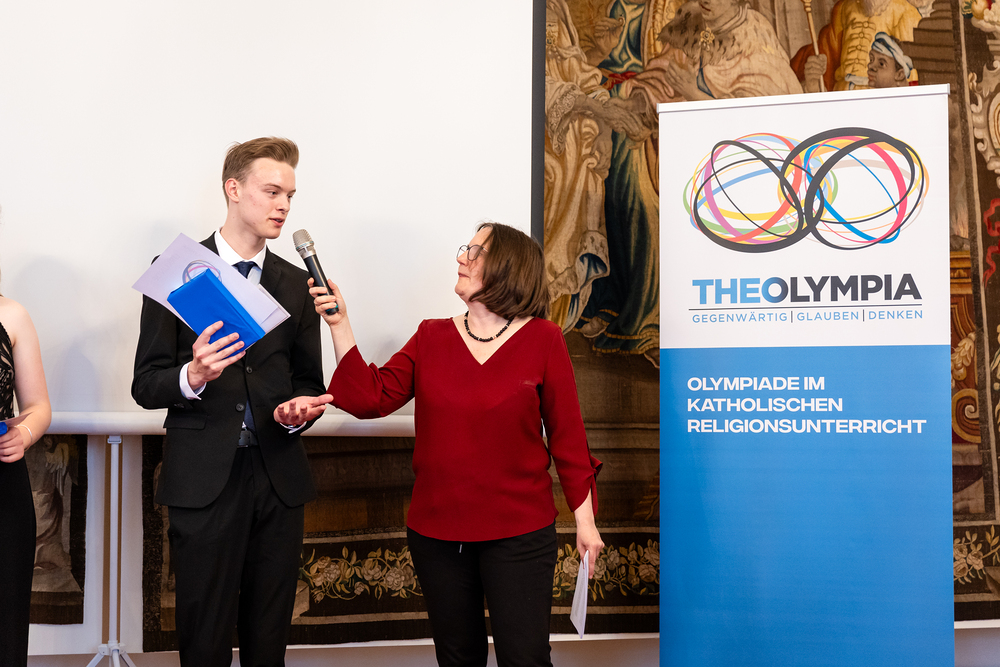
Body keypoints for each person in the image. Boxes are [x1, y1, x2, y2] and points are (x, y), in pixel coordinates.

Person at [290, 222, 603, 667]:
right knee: (457, 658)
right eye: (465, 249)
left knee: (525, 657)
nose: (462, 258)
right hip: (437, 535)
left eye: (475, 252)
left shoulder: (544, 339)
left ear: (507, 267)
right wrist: (340, 324)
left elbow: (568, 439)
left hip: (520, 534)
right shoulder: (431, 336)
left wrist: (586, 525)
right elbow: (369, 398)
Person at [132, 137, 330, 667]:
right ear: (234, 189)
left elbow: (308, 382)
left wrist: (298, 412)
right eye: (272, 191)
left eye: (290, 195)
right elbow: (146, 383)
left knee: (269, 639)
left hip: (278, 477)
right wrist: (192, 375)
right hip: (203, 479)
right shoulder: (176, 268)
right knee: (204, 637)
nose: (283, 206)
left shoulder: (298, 284)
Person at [0, 288, 52, 667]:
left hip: (3, 486)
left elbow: (38, 406)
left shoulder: (12, 314)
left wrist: (25, 434)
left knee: (6, 623)